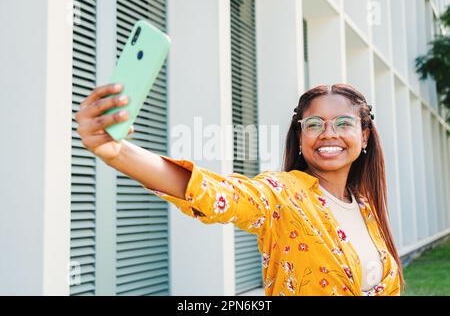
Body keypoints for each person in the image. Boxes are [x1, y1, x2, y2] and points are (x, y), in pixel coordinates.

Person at [75, 83, 404, 296]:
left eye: (344, 123)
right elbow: (218, 194)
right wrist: (118, 153)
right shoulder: (283, 194)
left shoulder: (365, 206)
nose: (328, 133)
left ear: (364, 136)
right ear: (300, 138)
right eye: (314, 124)